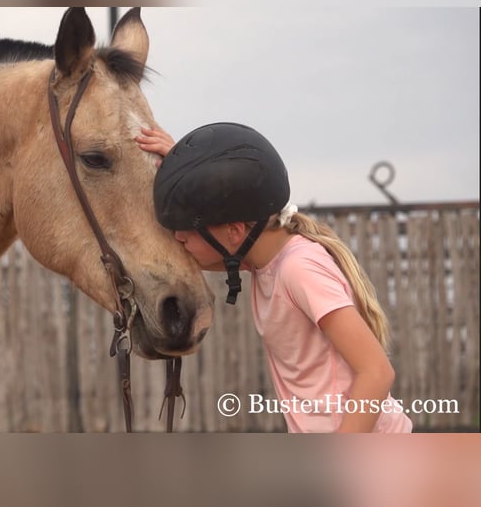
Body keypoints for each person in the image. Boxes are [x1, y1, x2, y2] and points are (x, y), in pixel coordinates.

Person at [136, 122, 412, 433]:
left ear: (235, 231)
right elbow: (202, 256)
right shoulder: (265, 263)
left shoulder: (300, 270)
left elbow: (376, 372)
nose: (177, 235)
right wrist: (186, 173)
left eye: (188, 225)